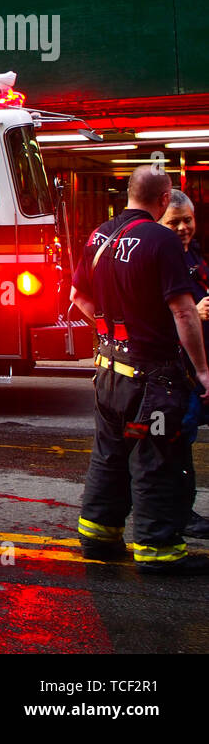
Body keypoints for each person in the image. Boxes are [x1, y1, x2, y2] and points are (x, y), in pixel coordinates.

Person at [70, 166, 209, 575]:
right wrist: (202, 370)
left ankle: (97, 536)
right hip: (154, 379)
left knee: (110, 454)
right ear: (164, 199)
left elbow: (77, 295)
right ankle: (158, 551)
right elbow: (184, 312)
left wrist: (114, 328)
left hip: (110, 374)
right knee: (157, 458)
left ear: (129, 193)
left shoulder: (100, 235)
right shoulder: (162, 240)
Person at [158, 189, 209, 538]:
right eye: (173, 222)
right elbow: (155, 315)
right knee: (178, 443)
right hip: (181, 373)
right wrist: (197, 314)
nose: (182, 228)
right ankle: (180, 514)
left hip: (202, 370)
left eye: (187, 220)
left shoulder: (196, 254)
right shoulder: (161, 256)